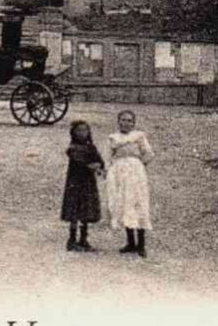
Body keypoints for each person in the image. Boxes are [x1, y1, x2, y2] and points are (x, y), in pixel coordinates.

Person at [105, 109, 154, 258]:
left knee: (138, 204)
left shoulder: (138, 137)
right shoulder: (113, 138)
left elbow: (149, 153)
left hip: (135, 174)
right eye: (123, 120)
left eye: (129, 121)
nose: (126, 123)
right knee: (124, 203)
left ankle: (141, 244)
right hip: (120, 174)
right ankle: (130, 242)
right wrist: (111, 172)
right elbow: (107, 157)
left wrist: (138, 165)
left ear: (134, 123)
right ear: (118, 121)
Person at [61, 120, 106, 252]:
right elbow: (80, 162)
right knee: (74, 211)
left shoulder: (91, 147)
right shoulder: (72, 148)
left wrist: (98, 165)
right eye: (79, 130)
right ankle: (72, 239)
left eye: (85, 130)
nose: (82, 133)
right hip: (75, 183)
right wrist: (92, 165)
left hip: (88, 183)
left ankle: (83, 239)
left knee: (86, 210)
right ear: (73, 133)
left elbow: (99, 161)